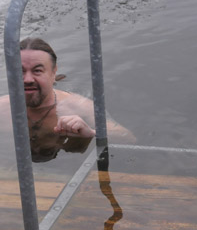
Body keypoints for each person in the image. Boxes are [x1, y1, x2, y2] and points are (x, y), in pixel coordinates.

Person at [0, 37, 135, 161]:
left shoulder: (79, 107)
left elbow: (128, 138)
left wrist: (92, 132)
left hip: (66, 168)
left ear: (54, 73)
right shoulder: (2, 109)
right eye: (21, 71)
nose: (28, 79)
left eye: (37, 71)